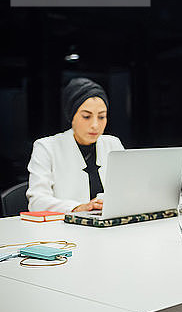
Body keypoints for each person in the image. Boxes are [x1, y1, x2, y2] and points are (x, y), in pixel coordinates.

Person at [26, 77, 124, 213]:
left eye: (101, 117)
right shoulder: (46, 147)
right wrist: (77, 208)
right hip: (64, 230)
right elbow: (37, 202)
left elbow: (128, 191)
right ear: (71, 116)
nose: (95, 125)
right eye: (86, 116)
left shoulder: (113, 144)